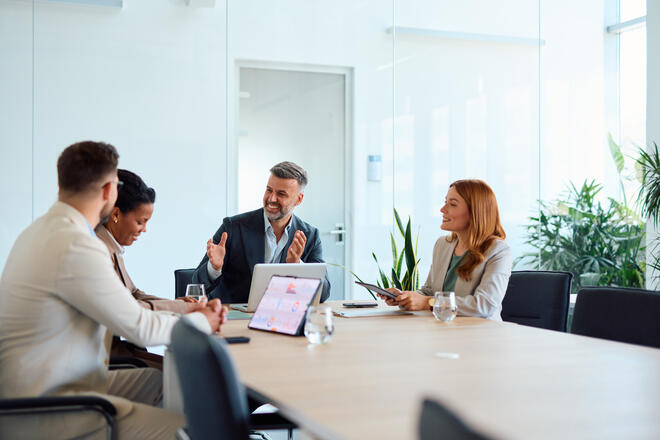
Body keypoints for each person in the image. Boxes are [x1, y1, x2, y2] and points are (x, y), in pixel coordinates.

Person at [0, 141, 227, 439]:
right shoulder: (77, 244)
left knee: (158, 384)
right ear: (110, 191)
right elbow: (139, 328)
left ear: (61, 182)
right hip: (48, 408)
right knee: (194, 431)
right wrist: (200, 321)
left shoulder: (38, 232)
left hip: (38, 386)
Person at [96, 169, 198, 370]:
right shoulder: (98, 249)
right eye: (140, 221)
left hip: (119, 351)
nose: (144, 230)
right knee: (182, 374)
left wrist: (174, 304)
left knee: (182, 369)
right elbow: (131, 309)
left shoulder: (112, 246)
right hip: (106, 358)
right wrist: (184, 309)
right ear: (116, 214)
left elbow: (134, 294)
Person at [192, 161, 330, 303]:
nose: (271, 199)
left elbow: (324, 293)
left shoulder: (310, 235)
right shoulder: (232, 227)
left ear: (298, 199)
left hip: (283, 315)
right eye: (269, 190)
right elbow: (196, 283)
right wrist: (214, 268)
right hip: (234, 317)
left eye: (281, 194)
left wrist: (297, 266)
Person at [380, 179, 512, 319]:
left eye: (453, 204)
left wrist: (429, 303)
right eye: (445, 202)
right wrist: (404, 297)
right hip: (444, 329)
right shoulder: (442, 245)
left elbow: (484, 305)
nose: (443, 210)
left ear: (475, 212)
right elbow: (429, 291)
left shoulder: (499, 251)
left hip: (481, 334)